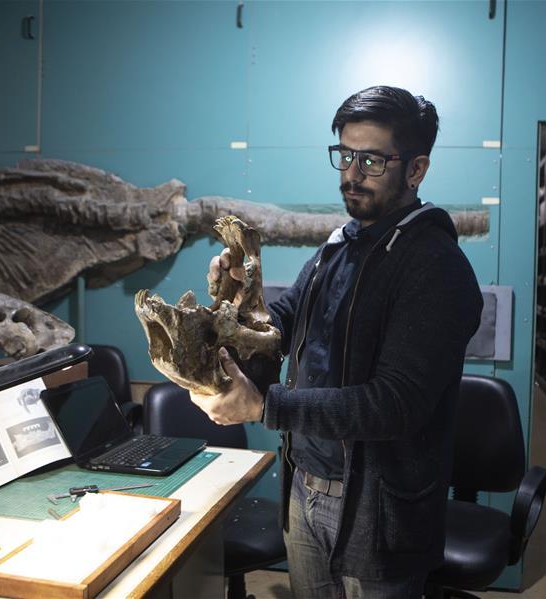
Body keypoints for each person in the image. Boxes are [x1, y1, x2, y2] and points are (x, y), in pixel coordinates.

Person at [192, 85, 483, 598]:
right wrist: (241, 297)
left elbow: (393, 405)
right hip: (304, 487)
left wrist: (264, 406)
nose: (351, 173)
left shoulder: (437, 269)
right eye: (345, 155)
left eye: (371, 160)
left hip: (377, 510)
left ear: (415, 170)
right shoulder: (339, 246)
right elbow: (283, 323)